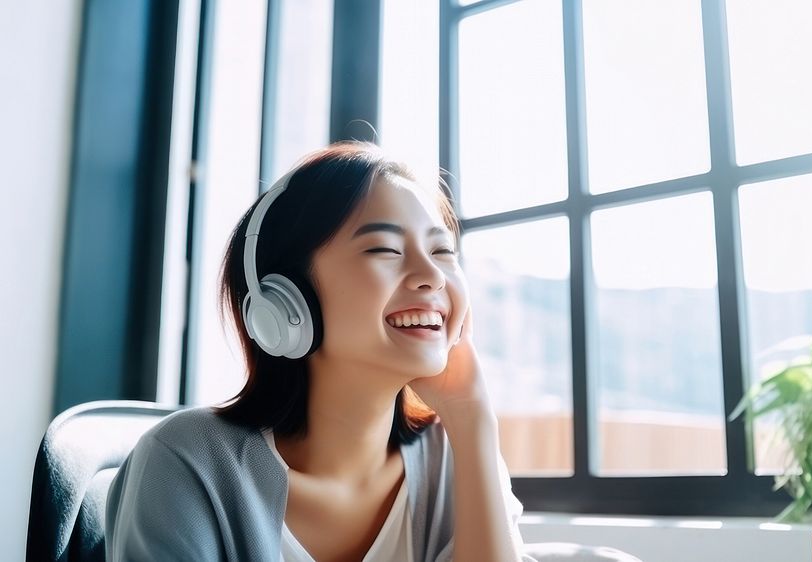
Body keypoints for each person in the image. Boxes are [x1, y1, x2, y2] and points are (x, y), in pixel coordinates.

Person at [104, 141, 536, 561]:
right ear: (285, 299)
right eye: (385, 249)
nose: (432, 276)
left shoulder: (457, 454)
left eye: (442, 251)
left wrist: (473, 419)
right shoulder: (188, 461)